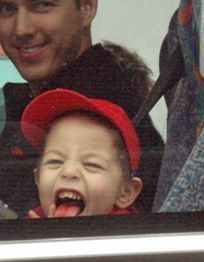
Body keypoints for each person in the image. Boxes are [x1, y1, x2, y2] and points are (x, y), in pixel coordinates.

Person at [0, 0, 164, 217]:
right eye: (6, 9)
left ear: (86, 7)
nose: (21, 28)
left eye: (42, 5)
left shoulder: (110, 115)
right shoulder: (36, 103)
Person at [22, 89, 143, 218]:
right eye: (55, 161)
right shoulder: (25, 226)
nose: (69, 172)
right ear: (37, 178)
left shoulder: (130, 230)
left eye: (91, 164)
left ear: (125, 192)